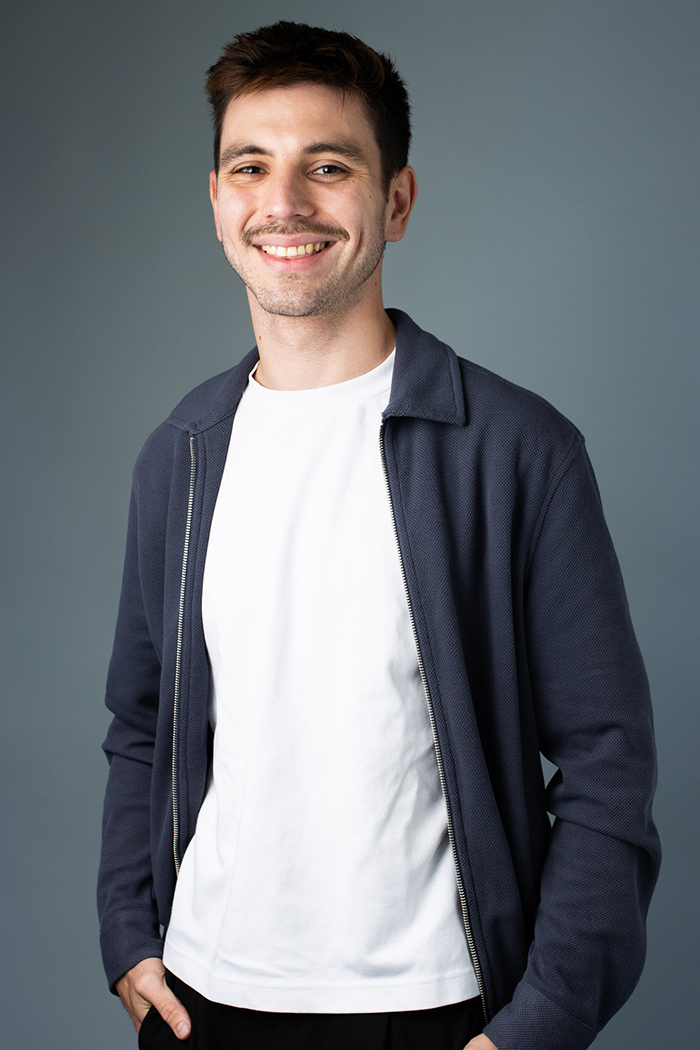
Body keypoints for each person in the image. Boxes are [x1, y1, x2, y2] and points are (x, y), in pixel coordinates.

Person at [98, 21, 660, 1050]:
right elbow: (142, 725)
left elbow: (607, 762)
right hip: (202, 1000)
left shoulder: (517, 450)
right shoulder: (180, 454)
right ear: (217, 201)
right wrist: (128, 933)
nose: (284, 203)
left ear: (395, 200)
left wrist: (539, 1023)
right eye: (250, 167)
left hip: (438, 1012)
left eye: (328, 166)